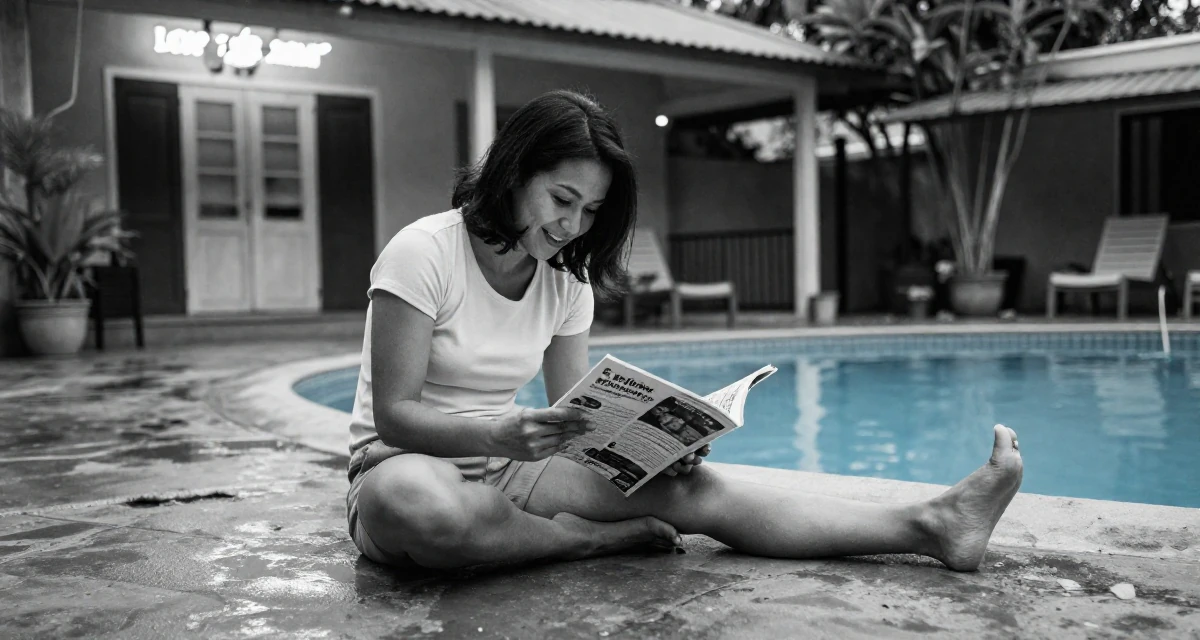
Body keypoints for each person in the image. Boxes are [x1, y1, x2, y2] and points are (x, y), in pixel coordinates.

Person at [345, 89, 1023, 571]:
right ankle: (584, 543)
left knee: (694, 491)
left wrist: (649, 447)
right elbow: (396, 416)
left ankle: (933, 526)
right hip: (402, 468)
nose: (573, 226)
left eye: (591, 210)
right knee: (422, 508)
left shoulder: (565, 278)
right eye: (561, 199)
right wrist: (497, 432)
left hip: (514, 470)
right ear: (514, 172)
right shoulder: (424, 252)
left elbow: (576, 418)